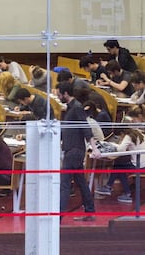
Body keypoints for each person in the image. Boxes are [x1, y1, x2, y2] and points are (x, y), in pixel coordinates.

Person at [56, 81, 99, 221]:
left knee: (65, 183)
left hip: (74, 150)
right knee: (80, 181)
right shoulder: (70, 108)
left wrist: (94, 147)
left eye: (59, 94)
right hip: (72, 149)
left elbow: (86, 127)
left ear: (66, 94)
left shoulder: (77, 107)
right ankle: (90, 210)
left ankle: (59, 215)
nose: (58, 97)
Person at [94, 127, 145, 203]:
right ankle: (111, 188)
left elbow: (120, 150)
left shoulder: (128, 136)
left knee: (119, 166)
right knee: (120, 166)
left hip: (141, 166)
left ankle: (115, 189)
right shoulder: (139, 133)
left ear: (122, 134)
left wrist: (119, 144)